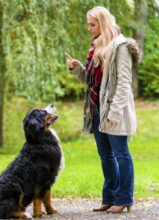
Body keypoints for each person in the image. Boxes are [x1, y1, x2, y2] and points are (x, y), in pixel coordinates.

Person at [65, 6, 141, 213]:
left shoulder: (121, 47)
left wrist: (114, 113)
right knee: (105, 155)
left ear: (103, 23)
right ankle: (109, 197)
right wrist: (77, 68)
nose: (89, 28)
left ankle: (124, 198)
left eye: (92, 24)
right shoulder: (96, 48)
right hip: (96, 109)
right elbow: (91, 83)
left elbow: (124, 83)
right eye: (88, 24)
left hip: (114, 111)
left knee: (121, 153)